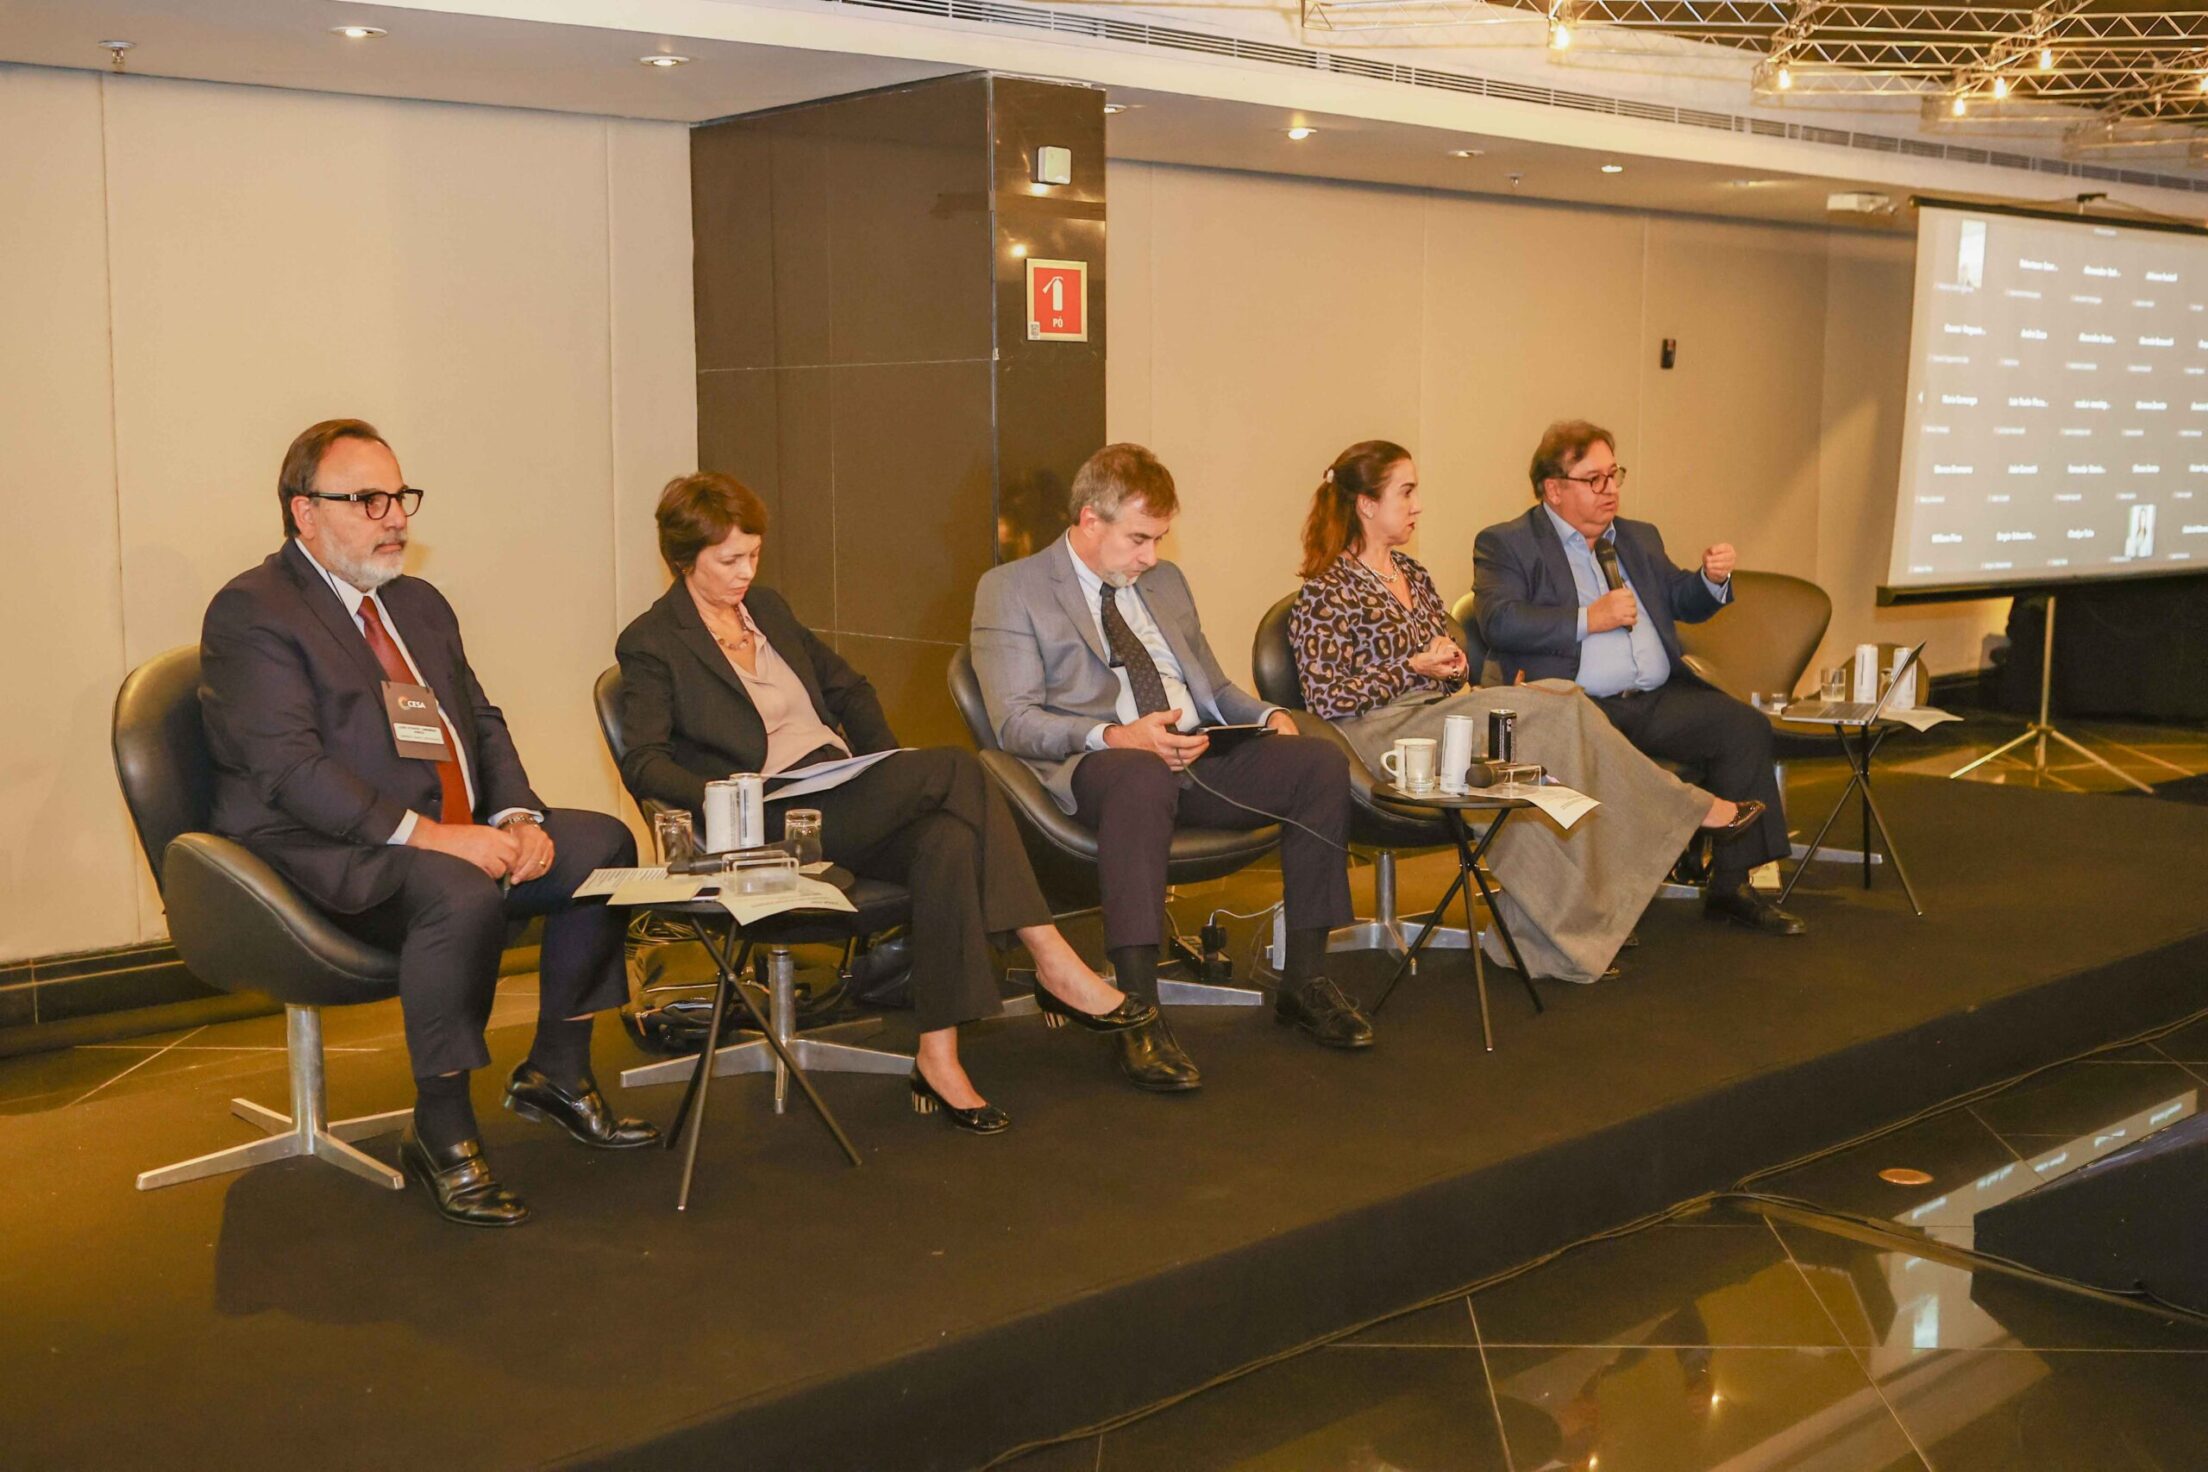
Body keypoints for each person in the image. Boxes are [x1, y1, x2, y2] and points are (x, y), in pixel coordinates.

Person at [200, 419, 657, 1229]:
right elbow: (291, 773)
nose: (394, 519)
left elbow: (479, 720)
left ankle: (556, 1072)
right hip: (320, 853)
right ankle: (441, 1128)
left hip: (444, 834)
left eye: (400, 497)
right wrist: (439, 837)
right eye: (367, 501)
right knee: (457, 888)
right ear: (305, 512)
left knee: (603, 847)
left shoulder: (417, 603)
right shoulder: (254, 611)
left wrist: (517, 815)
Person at [614, 473, 1155, 1134]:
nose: (746, 573)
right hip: (771, 813)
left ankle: (939, 1057)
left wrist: (885, 768)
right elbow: (644, 761)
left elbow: (850, 690)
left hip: (843, 790)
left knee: (946, 839)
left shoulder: (769, 610)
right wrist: (732, 794)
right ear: (683, 558)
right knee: (957, 769)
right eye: (729, 560)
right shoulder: (653, 640)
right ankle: (1051, 957)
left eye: (753, 555)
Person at [971, 443, 1373, 1094]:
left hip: (1194, 750)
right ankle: (1136, 1009)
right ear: (1089, 520)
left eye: (1158, 539)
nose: (1151, 556)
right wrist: (1116, 736)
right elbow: (1013, 722)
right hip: (1096, 764)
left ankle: (1305, 980)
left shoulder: (1165, 583)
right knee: (1140, 772)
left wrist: (1268, 714)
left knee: (1318, 763)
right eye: (1139, 539)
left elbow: (1214, 687)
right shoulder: (1012, 589)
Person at [1288, 441, 1768, 983]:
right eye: (1407, 492)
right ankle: (1689, 812)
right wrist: (1413, 667)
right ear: (1366, 504)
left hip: (1442, 715)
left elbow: (1448, 664)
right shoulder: (1326, 590)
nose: (1418, 504)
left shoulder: (1411, 574)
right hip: (1384, 736)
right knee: (1557, 707)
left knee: (1547, 754)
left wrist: (1451, 665)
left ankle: (1551, 937)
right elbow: (1326, 698)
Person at [1473, 420, 1803, 935]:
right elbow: (1500, 620)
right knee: (1601, 748)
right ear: (1554, 489)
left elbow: (1679, 598)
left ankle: (1732, 887)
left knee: (1742, 727)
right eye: (1594, 479)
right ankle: (1607, 902)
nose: (1610, 490)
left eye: (1614, 475)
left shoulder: (1637, 537)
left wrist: (1710, 581)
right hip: (1576, 705)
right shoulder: (1509, 543)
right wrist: (1589, 618)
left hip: (1655, 698)